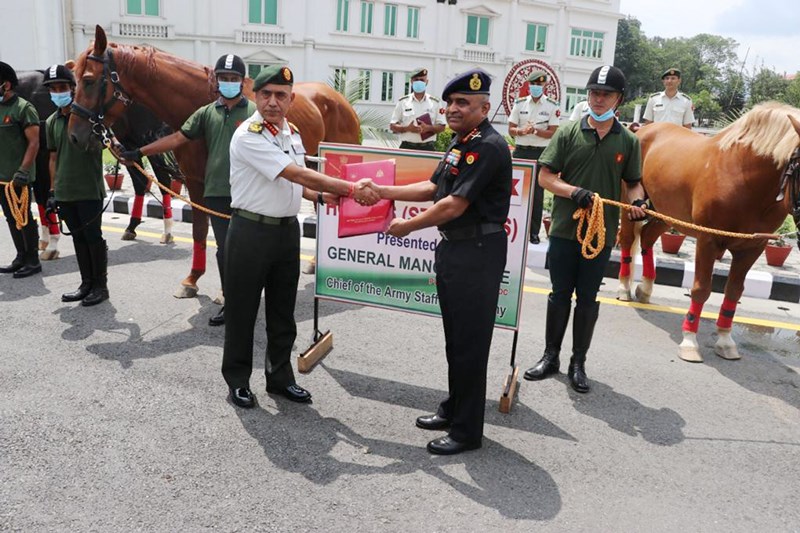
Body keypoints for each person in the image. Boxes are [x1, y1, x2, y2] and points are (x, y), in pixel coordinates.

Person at [222, 65, 379, 409]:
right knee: (243, 311)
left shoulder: (290, 133)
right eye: (266, 95)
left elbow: (292, 182)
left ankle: (280, 378)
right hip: (251, 231)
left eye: (281, 95)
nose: (273, 102)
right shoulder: (249, 134)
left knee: (283, 311)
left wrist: (320, 197)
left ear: (291, 100)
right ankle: (237, 380)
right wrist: (352, 188)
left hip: (285, 232)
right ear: (255, 97)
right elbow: (294, 171)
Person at [378, 69, 512, 455]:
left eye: (463, 103)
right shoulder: (461, 142)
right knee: (456, 338)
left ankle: (468, 432)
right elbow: (434, 187)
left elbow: (454, 204)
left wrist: (408, 226)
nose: (453, 109)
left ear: (484, 107)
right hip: (456, 250)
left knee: (470, 342)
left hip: (478, 253)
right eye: (450, 102)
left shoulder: (486, 146)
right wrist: (381, 191)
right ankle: (454, 409)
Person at [523, 65, 647, 393]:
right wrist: (573, 192)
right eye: (594, 92)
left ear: (619, 99)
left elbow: (633, 183)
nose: (599, 99)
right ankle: (551, 357)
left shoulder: (629, 141)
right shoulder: (567, 132)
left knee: (588, 299)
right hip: (565, 228)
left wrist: (639, 203)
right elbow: (545, 176)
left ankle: (578, 363)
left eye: (606, 94)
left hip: (601, 232)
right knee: (559, 293)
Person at [120, 54, 255, 326]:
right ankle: (232, 301)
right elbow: (178, 137)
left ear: (242, 82)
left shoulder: (253, 112)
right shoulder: (206, 113)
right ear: (216, 81)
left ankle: (250, 297)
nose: (228, 83)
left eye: (234, 79)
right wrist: (139, 152)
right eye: (224, 78)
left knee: (249, 249)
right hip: (216, 194)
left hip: (248, 194)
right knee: (225, 249)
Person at [43, 64, 109, 306]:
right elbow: (52, 157)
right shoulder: (51, 121)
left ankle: (100, 286)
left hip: (88, 189)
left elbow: (103, 145)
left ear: (73, 89)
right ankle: (85, 283)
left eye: (62, 87)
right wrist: (52, 191)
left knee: (93, 237)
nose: (57, 92)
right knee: (78, 239)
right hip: (65, 190)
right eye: (53, 88)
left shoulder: (88, 119)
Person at [0, 61, 41, 279]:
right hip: (1, 178)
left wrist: (23, 171)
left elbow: (34, 143)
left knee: (23, 216)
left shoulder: (24, 108)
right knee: (10, 217)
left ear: (5, 85)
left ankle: (33, 260)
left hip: (18, 176)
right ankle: (20, 256)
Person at [508, 69, 559, 244]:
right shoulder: (520, 103)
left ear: (544, 86)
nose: (536, 87)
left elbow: (552, 132)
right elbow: (511, 129)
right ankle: (514, 228)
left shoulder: (552, 105)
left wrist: (536, 130)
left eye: (539, 84)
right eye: (533, 84)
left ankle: (534, 233)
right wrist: (521, 131)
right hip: (521, 151)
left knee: (537, 195)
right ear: (529, 85)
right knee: (515, 192)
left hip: (540, 153)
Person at [389, 68, 446, 151]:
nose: (419, 82)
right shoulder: (403, 102)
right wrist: (407, 128)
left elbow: (442, 127)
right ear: (411, 82)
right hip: (407, 147)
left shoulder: (435, 103)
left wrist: (428, 128)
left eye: (422, 80)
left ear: (427, 82)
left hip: (428, 148)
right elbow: (392, 126)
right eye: (416, 80)